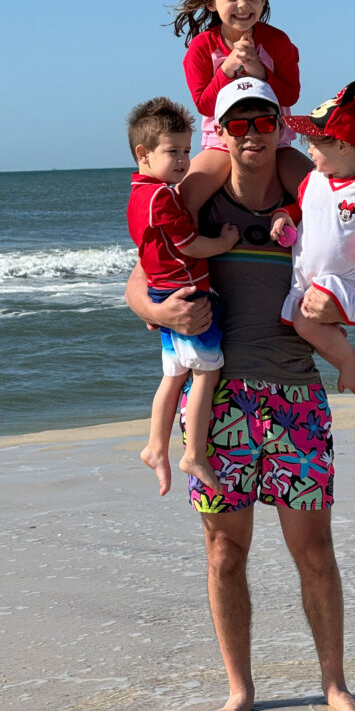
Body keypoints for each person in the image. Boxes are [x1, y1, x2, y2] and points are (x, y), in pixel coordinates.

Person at [125, 76, 355, 711]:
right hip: (220, 402)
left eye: (263, 121)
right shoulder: (193, 209)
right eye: (237, 124)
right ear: (221, 132)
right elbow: (138, 283)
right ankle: (240, 691)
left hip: (296, 397)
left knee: (314, 551)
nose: (252, 134)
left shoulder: (312, 200)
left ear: (279, 128)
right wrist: (162, 311)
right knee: (223, 553)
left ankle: (334, 685)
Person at [126, 98, 239, 494]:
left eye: (187, 151)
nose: (182, 161)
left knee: (172, 375)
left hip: (163, 289)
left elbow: (146, 248)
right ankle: (192, 453)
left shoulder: (138, 195)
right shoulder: (164, 197)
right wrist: (223, 242)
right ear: (144, 154)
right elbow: (189, 243)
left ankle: (156, 446)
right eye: (172, 151)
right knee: (206, 371)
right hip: (186, 292)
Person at [270, 81, 355, 398]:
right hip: (308, 277)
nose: (309, 150)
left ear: (343, 146)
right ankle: (348, 360)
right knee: (303, 326)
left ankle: (348, 358)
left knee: (314, 313)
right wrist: (283, 216)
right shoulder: (312, 180)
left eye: (314, 143)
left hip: (345, 279)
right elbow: (301, 209)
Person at [171, 0, 311, 217]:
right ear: (212, 2)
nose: (243, 5)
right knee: (184, 200)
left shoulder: (277, 41)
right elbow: (204, 104)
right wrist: (225, 70)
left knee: (316, 191)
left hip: (275, 140)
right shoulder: (202, 48)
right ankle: (185, 253)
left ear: (263, 0)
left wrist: (259, 71)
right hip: (221, 142)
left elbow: (290, 95)